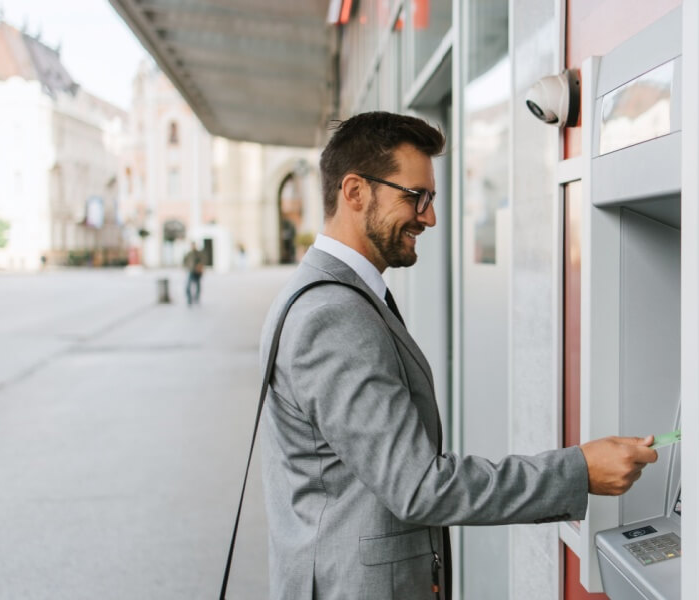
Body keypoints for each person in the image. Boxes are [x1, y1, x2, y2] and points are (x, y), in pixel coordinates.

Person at [258, 111, 659, 600]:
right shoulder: (333, 315)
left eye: (431, 199)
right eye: (415, 196)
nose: (428, 216)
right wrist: (578, 471)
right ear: (355, 191)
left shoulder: (332, 295)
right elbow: (419, 486)